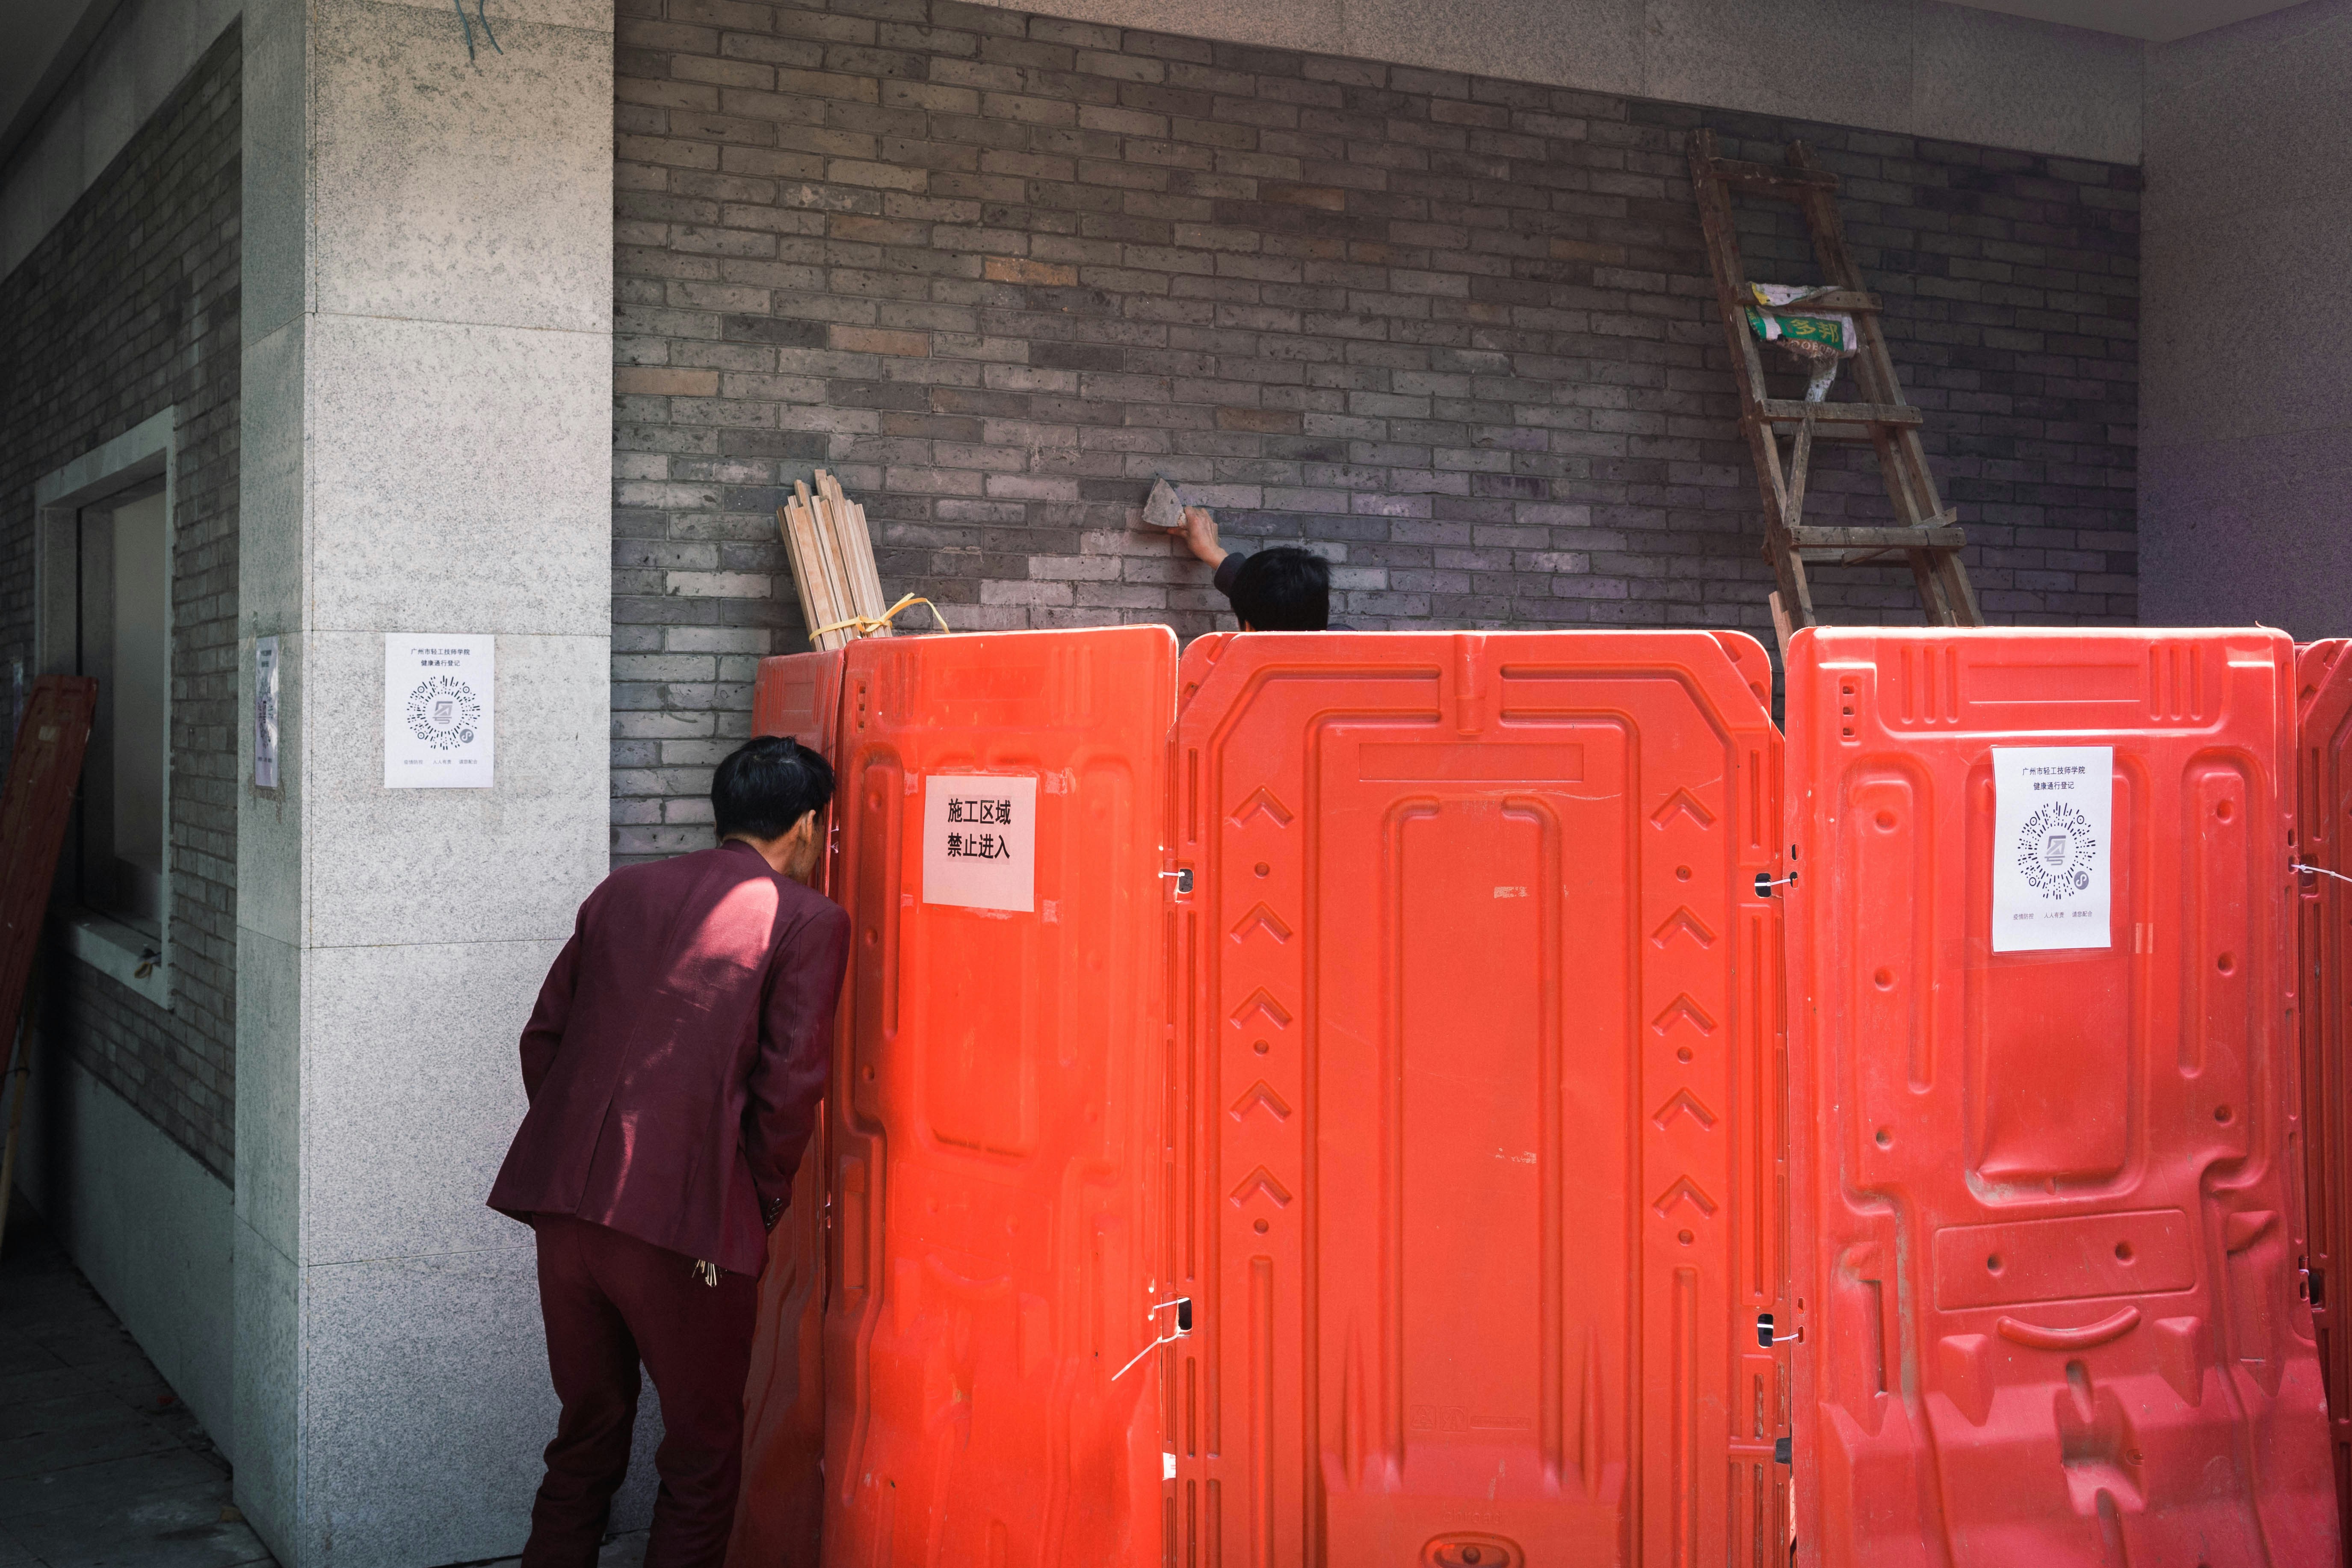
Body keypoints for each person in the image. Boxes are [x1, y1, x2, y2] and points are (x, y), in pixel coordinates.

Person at [486, 737, 850, 1568]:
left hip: (563, 1211)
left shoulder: (624, 891)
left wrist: (582, 1151)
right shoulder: (806, 918)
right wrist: (752, 1208)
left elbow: (543, 1039)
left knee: (586, 1433)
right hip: (683, 1231)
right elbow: (790, 1091)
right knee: (702, 1453)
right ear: (805, 825)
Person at [1176, 505, 1344, 630]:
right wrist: (1214, 553)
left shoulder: (1238, 675)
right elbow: (1275, 597)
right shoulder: (1348, 645)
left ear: (1249, 630)